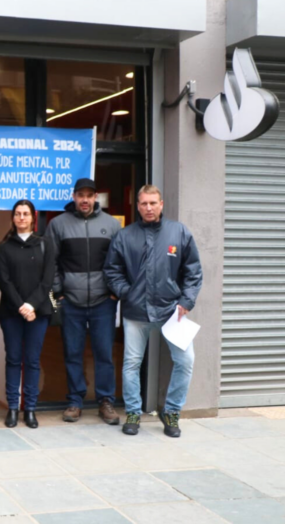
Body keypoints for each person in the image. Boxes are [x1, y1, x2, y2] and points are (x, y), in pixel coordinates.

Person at [104, 185, 203, 438]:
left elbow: (193, 272)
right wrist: (127, 292)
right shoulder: (125, 236)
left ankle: (171, 412)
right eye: (144, 203)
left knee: (186, 361)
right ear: (137, 206)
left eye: (153, 203)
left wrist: (186, 301)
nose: (149, 208)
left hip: (172, 311)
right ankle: (134, 412)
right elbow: (111, 270)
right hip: (136, 311)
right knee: (132, 363)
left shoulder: (179, 232)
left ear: (161, 204)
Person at [46, 177, 121, 424]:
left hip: (103, 302)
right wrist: (59, 292)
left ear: (96, 197)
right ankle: (75, 401)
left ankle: (106, 401)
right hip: (72, 302)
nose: (85, 200)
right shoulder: (58, 224)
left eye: (89, 195)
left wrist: (114, 291)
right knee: (73, 352)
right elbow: (51, 262)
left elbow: (119, 262)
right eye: (81, 195)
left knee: (104, 353)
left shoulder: (111, 225)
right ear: (74, 197)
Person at [0, 200, 55, 429]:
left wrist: (32, 305)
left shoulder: (44, 244)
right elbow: (5, 281)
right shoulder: (5, 245)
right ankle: (12, 407)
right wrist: (22, 306)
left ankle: (30, 409)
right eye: (18, 214)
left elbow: (47, 279)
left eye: (25, 214)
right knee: (12, 359)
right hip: (11, 313)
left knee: (31, 361)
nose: (21, 218)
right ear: (13, 218)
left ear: (33, 217)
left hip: (38, 313)